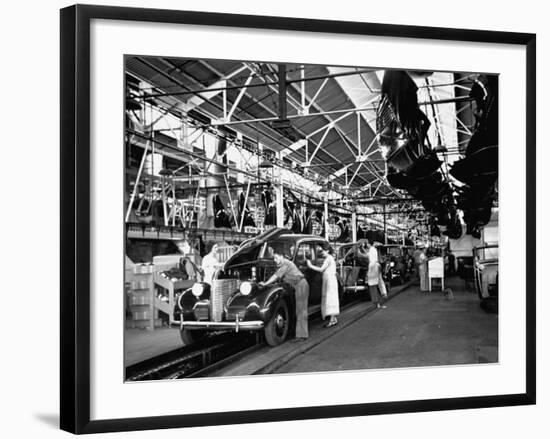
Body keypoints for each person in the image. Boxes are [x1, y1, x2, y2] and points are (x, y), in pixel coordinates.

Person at [259, 249, 310, 341]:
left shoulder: (285, 264)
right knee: (299, 311)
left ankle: (302, 336)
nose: (275, 260)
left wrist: (265, 284)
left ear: (282, 257)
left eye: (276, 257)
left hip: (301, 285)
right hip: (299, 286)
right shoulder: (283, 264)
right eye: (274, 258)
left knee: (301, 311)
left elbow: (276, 276)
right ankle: (300, 335)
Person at [307, 242, 340, 327]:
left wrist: (310, 266)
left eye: (323, 251)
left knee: (330, 299)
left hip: (329, 281)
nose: (322, 253)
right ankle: (333, 318)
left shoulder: (328, 259)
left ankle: (332, 320)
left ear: (328, 251)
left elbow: (321, 269)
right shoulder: (330, 258)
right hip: (330, 280)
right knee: (331, 298)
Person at [365, 239, 386, 309]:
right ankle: (377, 302)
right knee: (374, 285)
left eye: (367, 243)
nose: (366, 245)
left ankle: (377, 302)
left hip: (373, 267)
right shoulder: (372, 249)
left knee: (373, 286)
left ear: (369, 244)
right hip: (374, 267)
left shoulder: (372, 250)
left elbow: (369, 258)